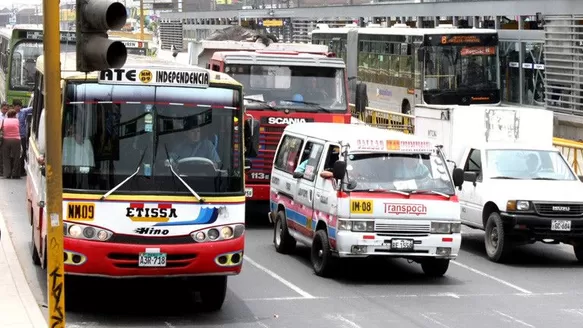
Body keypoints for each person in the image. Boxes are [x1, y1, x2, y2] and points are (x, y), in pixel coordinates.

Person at [14, 99, 33, 176]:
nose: (18, 108)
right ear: (13, 106)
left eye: (20, 106)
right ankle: (15, 170)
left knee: (23, 153)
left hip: (22, 136)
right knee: (15, 154)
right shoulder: (10, 113)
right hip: (14, 136)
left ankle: (22, 170)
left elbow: (33, 108)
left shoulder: (23, 112)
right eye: (17, 106)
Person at [1, 109, 21, 179]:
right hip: (16, 140)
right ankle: (15, 173)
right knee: (16, 157)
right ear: (14, 115)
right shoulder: (17, 120)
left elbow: (1, 128)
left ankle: (7, 173)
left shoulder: (4, 120)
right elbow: (19, 128)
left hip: (6, 140)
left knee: (6, 157)